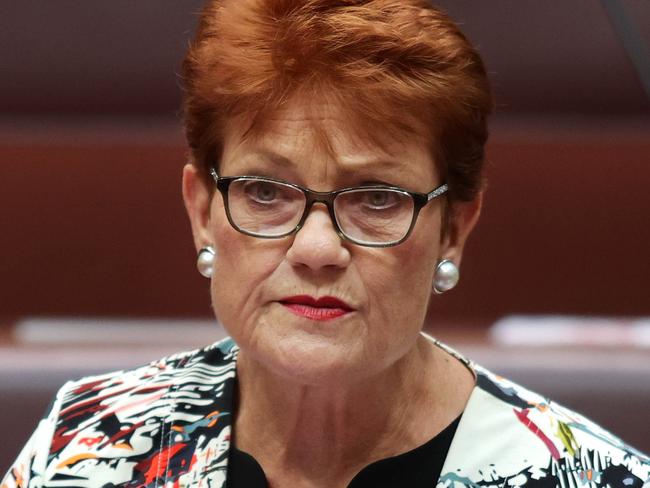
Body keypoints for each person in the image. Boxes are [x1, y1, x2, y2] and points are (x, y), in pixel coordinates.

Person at [3, 0, 649, 487]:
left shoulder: (587, 476)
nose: (317, 248)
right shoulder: (89, 442)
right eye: (264, 192)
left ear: (454, 228)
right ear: (202, 212)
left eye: (375, 198)